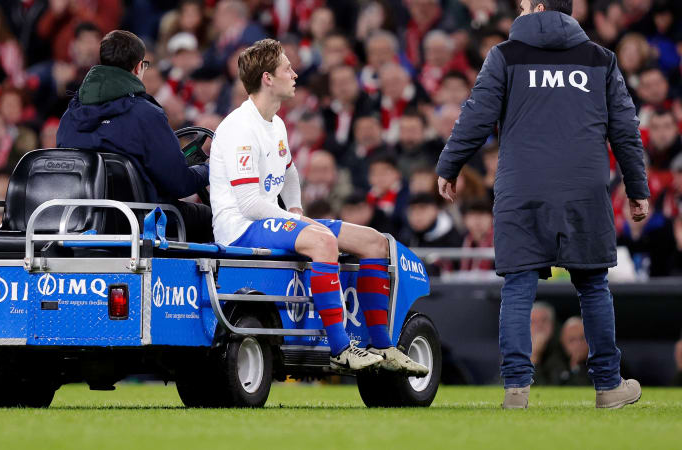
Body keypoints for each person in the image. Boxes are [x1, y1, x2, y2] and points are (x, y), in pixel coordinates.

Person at [435, 0, 649, 409]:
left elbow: (477, 116)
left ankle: (516, 389)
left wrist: (450, 165)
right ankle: (608, 387)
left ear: (535, 7)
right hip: (584, 189)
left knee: (517, 288)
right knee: (593, 287)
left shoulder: (505, 55)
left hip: (522, 190)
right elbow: (625, 128)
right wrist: (636, 187)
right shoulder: (599, 58)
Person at [209, 39, 427, 375]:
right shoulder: (240, 128)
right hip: (240, 228)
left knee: (374, 242)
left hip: (268, 221)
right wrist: (301, 222)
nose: (295, 74)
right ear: (268, 78)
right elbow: (250, 204)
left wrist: (295, 210)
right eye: (287, 68)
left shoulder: (276, 123)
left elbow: (291, 172)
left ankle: (383, 347)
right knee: (322, 239)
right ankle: (340, 349)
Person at [56, 30, 212, 243]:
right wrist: (209, 169)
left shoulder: (70, 115)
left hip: (80, 223)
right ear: (139, 67)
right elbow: (179, 184)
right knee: (208, 217)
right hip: (140, 223)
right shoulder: (147, 115)